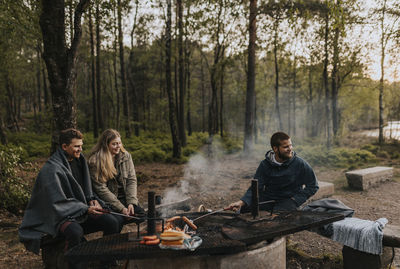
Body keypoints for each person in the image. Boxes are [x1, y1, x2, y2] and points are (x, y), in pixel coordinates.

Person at [19, 129, 122, 255]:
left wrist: (91, 200)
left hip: (81, 209)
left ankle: (106, 260)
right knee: (75, 232)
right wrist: (85, 208)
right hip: (60, 216)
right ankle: (74, 264)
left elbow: (86, 190)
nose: (80, 149)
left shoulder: (80, 161)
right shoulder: (51, 169)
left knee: (112, 222)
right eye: (76, 146)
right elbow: (57, 203)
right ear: (64, 146)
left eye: (81, 146)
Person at [227, 131, 319, 212]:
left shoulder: (300, 164)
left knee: (277, 217)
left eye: (290, 145)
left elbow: (313, 186)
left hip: (288, 201)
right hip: (269, 199)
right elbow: (256, 188)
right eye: (286, 147)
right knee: (245, 209)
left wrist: (296, 200)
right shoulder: (265, 165)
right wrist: (241, 202)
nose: (290, 149)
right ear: (275, 149)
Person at [88, 129, 144, 228]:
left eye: (119, 143)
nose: (118, 146)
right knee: (117, 222)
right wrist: (121, 208)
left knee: (142, 215)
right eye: (114, 144)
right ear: (106, 145)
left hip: (124, 198)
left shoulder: (125, 156)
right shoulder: (95, 161)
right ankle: (109, 242)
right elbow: (101, 189)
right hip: (106, 201)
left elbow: (131, 180)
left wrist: (131, 203)